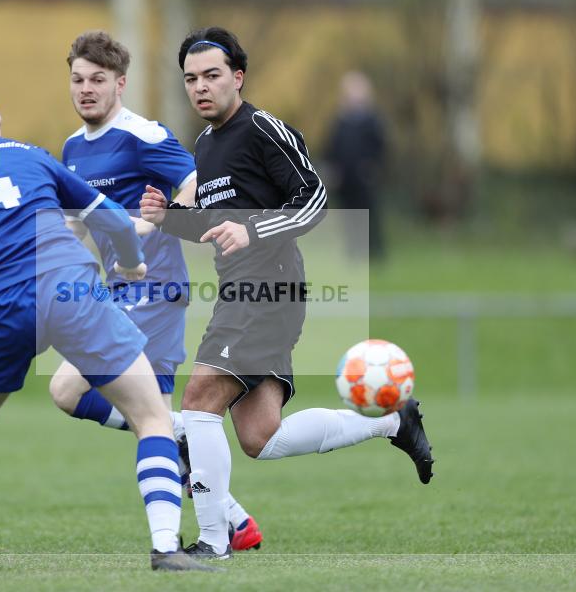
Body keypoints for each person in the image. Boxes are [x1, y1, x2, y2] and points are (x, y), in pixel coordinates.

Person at [0, 84, 214, 572]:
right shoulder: (32, 155)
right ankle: (166, 547)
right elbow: (111, 219)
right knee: (152, 416)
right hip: (71, 292)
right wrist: (131, 266)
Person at [140, 27, 434, 560]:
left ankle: (212, 542)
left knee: (199, 401)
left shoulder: (262, 129)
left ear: (238, 76)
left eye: (212, 75)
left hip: (267, 290)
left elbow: (315, 199)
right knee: (260, 437)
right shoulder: (207, 144)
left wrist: (253, 231)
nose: (201, 87)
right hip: (243, 291)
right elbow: (218, 225)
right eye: (191, 78)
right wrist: (170, 220)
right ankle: (392, 421)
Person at [48, 30, 263, 552]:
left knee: (75, 389)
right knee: (73, 395)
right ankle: (233, 518)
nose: (86, 89)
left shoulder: (143, 134)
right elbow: (78, 224)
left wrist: (150, 227)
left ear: (120, 83)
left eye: (97, 80)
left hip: (156, 289)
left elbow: (192, 180)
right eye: (78, 79)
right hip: (113, 293)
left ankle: (198, 522)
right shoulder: (73, 148)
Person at [323, 71, 387, 260]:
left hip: (364, 178)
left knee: (369, 215)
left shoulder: (372, 120)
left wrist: (373, 167)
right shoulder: (340, 121)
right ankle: (354, 252)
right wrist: (331, 170)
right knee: (349, 217)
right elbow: (331, 148)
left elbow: (380, 147)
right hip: (345, 179)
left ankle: (374, 252)